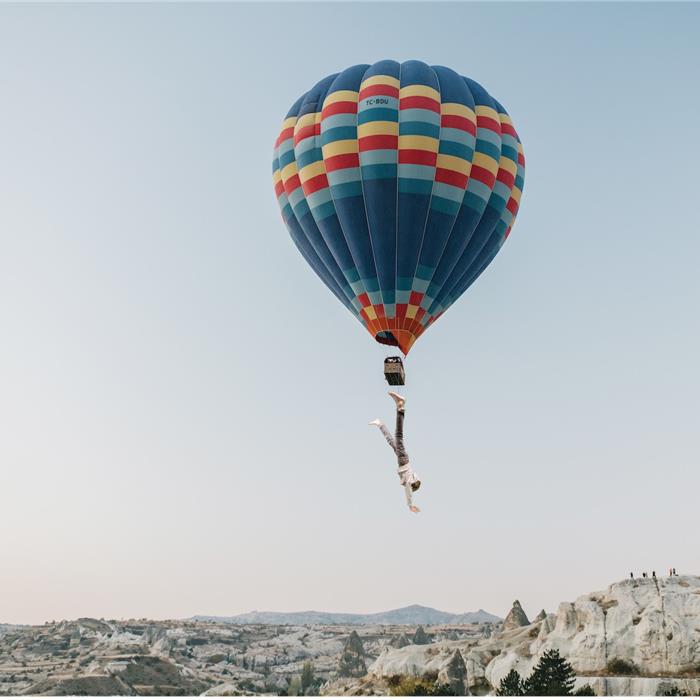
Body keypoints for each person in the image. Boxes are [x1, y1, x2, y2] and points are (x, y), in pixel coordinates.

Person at [370, 392, 421, 513]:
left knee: (392, 442)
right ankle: (401, 406)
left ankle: (380, 424)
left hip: (402, 459)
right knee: (398, 435)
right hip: (403, 460)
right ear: (412, 484)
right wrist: (410, 505)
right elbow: (408, 492)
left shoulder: (410, 479)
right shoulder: (409, 482)